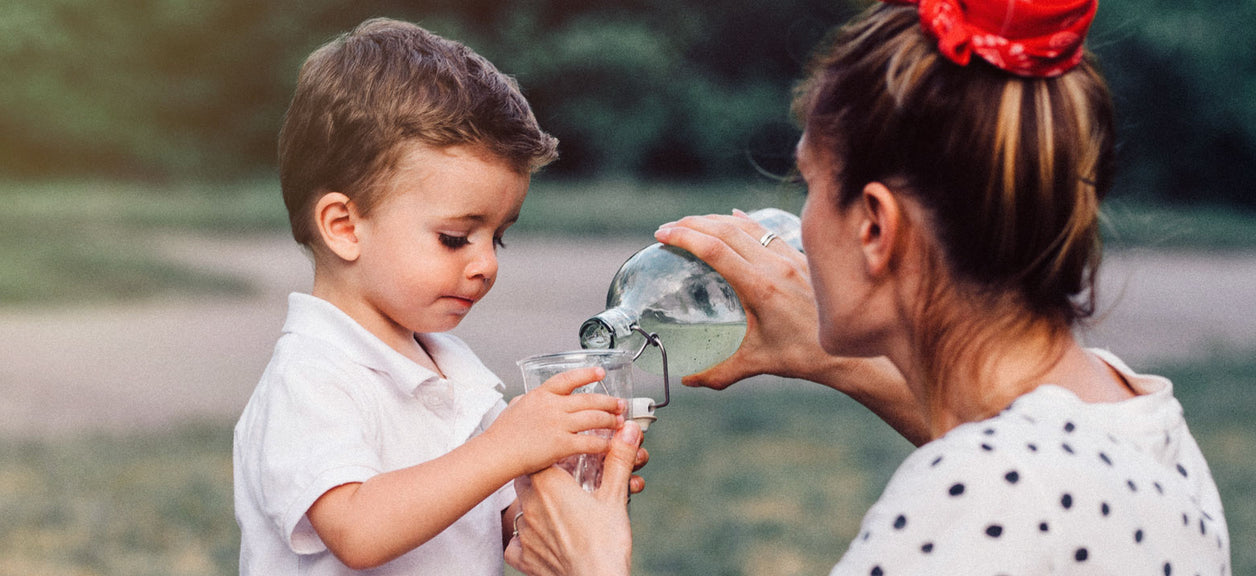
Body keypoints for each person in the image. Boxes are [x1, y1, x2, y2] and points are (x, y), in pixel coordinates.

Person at [504, 1, 1232, 574]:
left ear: (876, 228)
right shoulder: (1134, 417)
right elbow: (1030, 462)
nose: (796, 225)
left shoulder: (979, 491)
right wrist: (833, 358)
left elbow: (1002, 480)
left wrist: (587, 563)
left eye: (810, 186)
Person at [232, 18, 633, 575]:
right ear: (345, 226)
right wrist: (505, 448)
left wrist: (563, 480)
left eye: (499, 236)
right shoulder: (311, 375)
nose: (487, 264)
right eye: (454, 238)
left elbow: (492, 528)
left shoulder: (452, 370)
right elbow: (357, 529)